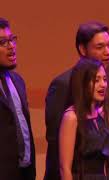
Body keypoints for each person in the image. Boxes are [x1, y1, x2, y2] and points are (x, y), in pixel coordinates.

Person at [45, 21, 109, 180]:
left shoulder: (108, 83)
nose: (107, 52)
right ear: (82, 49)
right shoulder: (63, 84)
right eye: (100, 47)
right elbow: (55, 141)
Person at [59, 58, 109, 180]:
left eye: (104, 79)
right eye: (96, 80)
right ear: (82, 83)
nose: (103, 85)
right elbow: (64, 167)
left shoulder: (101, 115)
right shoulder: (71, 117)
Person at [0, 17, 36, 180]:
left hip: (23, 172)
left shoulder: (17, 81)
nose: (11, 46)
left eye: (12, 39)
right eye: (2, 42)